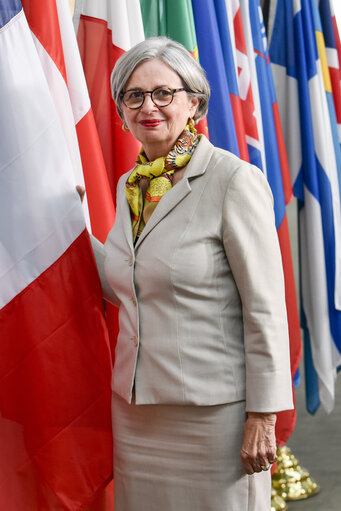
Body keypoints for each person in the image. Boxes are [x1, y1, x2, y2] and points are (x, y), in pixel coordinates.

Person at [86, 36, 293, 511]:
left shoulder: (232, 179)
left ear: (195, 101)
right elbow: (129, 284)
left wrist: (263, 413)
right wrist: (68, 226)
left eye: (164, 92)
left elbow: (264, 307)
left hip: (214, 418)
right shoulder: (130, 185)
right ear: (120, 110)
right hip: (137, 415)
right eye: (133, 96)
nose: (148, 106)